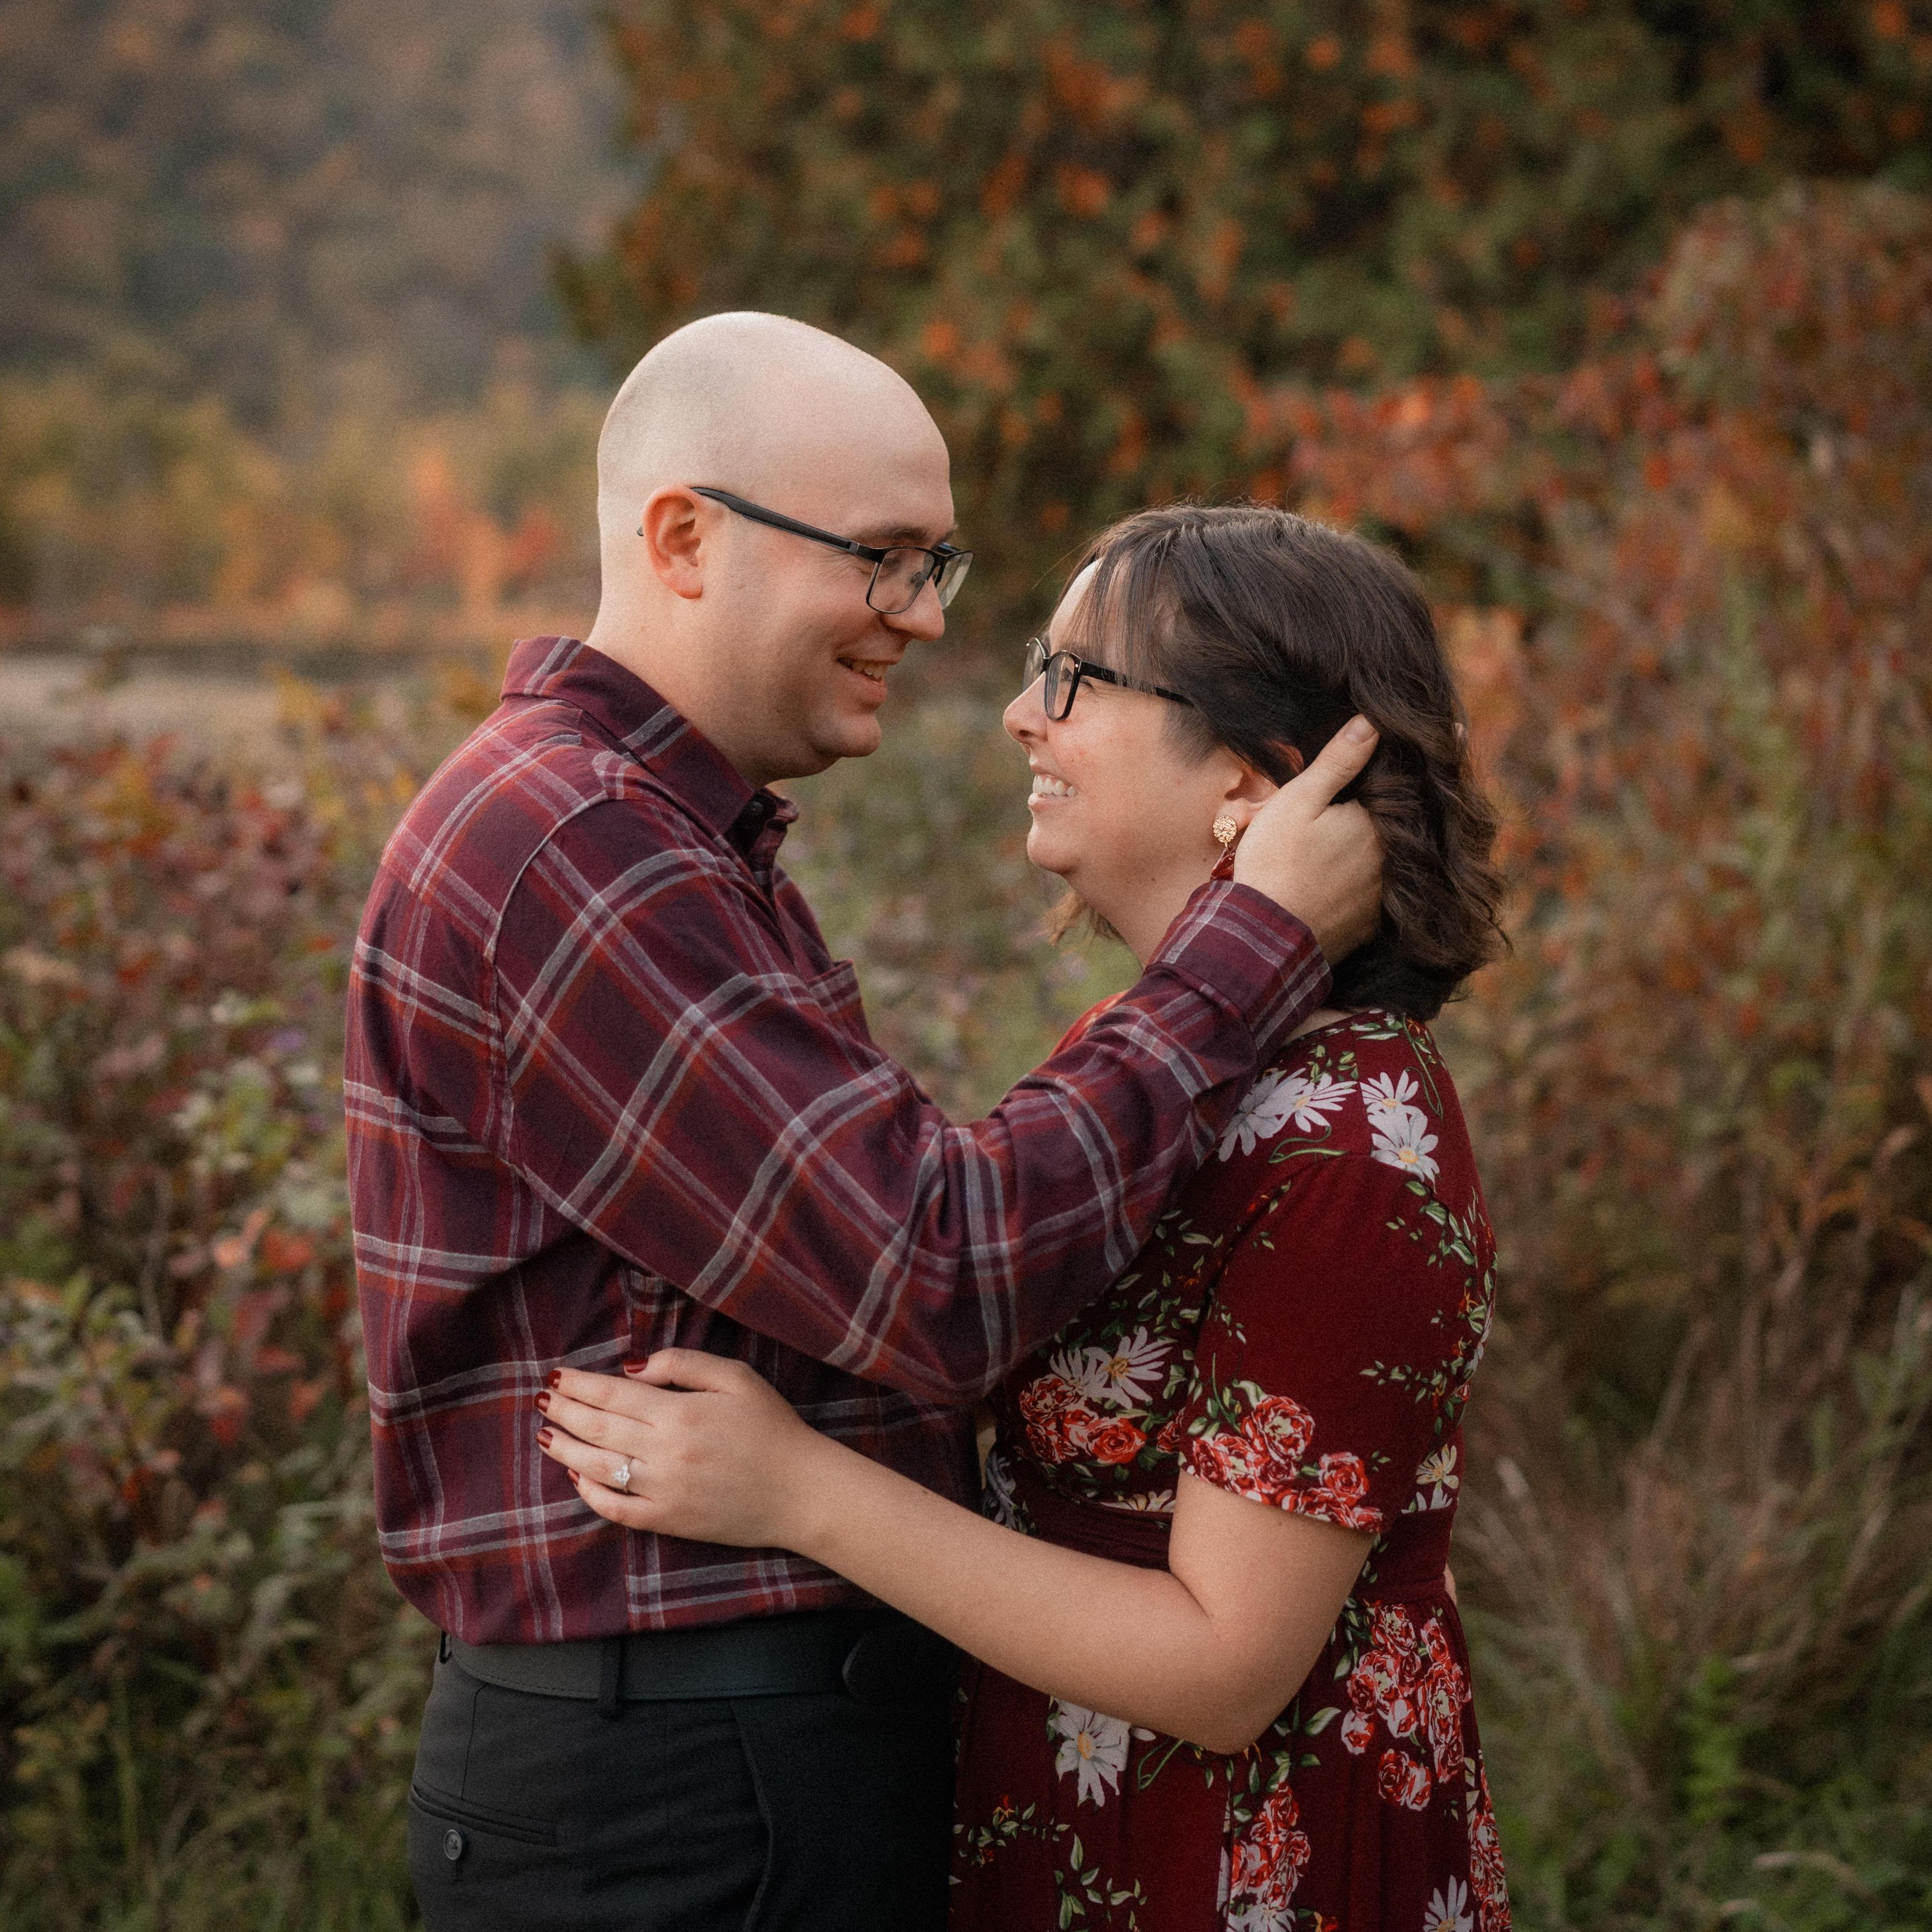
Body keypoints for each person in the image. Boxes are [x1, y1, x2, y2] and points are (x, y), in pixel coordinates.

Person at [343, 318, 1386, 1932]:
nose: (922, 618)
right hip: (678, 1780)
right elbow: (941, 1268)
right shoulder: (576, 853)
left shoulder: (666, 842)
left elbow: (903, 1250)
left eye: (936, 562)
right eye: (882, 558)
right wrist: (1245, 945)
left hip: (718, 1749)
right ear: (684, 537)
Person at [536, 503, 1513, 1930]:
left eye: (1072, 680)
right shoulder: (1179, 1058)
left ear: (1247, 780)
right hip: (1081, 1830)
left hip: (1251, 1865)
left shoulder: (1350, 1147)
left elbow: (1225, 1666)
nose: (1013, 714)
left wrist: (799, 1491)